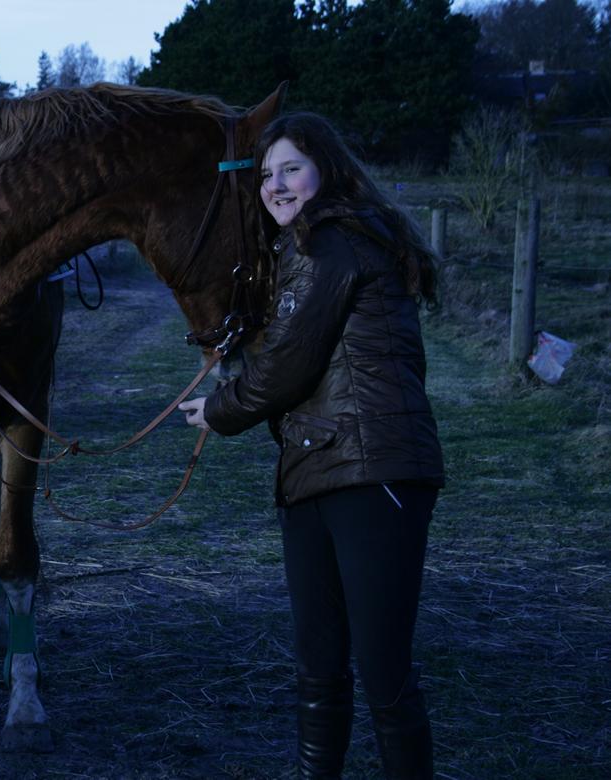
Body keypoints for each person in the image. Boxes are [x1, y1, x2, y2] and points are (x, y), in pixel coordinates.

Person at [179, 112, 444, 779]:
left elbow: (289, 364)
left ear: (327, 168)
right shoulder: (303, 250)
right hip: (313, 473)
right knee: (318, 669)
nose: (277, 184)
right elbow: (293, 351)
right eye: (267, 175)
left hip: (371, 471)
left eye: (291, 167)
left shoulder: (335, 242)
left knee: (383, 673)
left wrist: (220, 408)